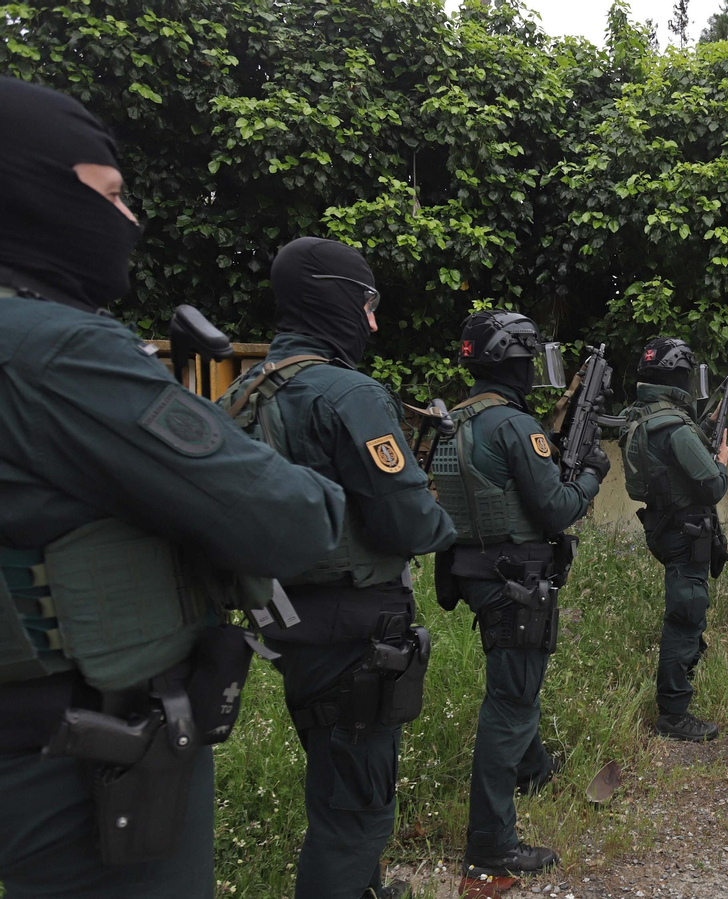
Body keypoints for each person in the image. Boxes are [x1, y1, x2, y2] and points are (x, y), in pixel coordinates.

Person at [0, 78, 345, 897]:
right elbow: (288, 516)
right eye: (110, 194)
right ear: (34, 190)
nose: (129, 219)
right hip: (90, 755)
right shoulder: (59, 349)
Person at [217, 237, 456, 899]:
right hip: (351, 627)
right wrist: (442, 520)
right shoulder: (347, 393)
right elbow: (409, 522)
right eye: (366, 304)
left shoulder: (244, 391)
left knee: (338, 776)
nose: (372, 323)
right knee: (357, 809)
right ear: (334, 299)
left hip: (283, 617)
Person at [431, 310, 611, 882]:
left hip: (475, 573)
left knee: (516, 686)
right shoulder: (514, 425)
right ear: (512, 360)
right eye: (530, 358)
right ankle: (491, 844)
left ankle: (534, 772)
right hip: (513, 581)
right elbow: (556, 508)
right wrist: (592, 473)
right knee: (510, 705)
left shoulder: (456, 418)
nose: (534, 369)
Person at [618, 337, 728, 742]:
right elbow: (713, 486)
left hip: (665, 527)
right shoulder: (676, 428)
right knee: (685, 616)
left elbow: (671, 463)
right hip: (686, 532)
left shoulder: (641, 417)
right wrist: (721, 461)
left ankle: (686, 671)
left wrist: (703, 430)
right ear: (679, 377)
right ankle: (673, 712)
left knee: (687, 610)